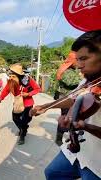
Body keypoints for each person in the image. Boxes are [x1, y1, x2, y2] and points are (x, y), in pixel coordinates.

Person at [31, 30, 101, 180]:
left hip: (97, 162)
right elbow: (73, 98)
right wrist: (47, 106)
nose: (79, 66)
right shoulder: (88, 81)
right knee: (52, 173)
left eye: (84, 59)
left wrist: (85, 126)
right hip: (77, 150)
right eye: (77, 60)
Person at [0, 63, 41, 145]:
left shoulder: (28, 80)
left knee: (25, 120)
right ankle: (23, 129)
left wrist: (28, 94)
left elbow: (37, 89)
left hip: (28, 104)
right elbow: (6, 90)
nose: (11, 77)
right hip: (17, 104)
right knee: (15, 118)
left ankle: (22, 135)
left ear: (18, 75)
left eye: (13, 75)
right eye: (10, 75)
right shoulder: (11, 81)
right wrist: (0, 98)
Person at [54, 52, 82, 146]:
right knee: (65, 117)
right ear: (72, 61)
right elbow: (71, 82)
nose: (78, 62)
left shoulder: (72, 69)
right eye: (76, 60)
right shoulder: (65, 70)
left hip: (71, 97)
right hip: (65, 97)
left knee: (72, 117)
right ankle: (59, 138)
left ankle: (71, 136)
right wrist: (82, 80)